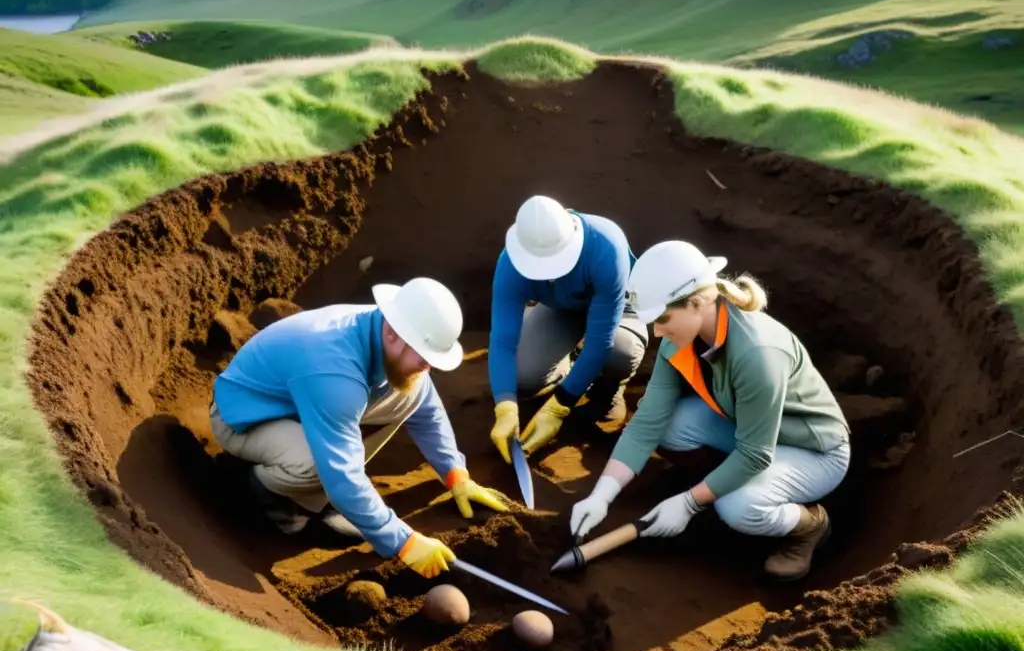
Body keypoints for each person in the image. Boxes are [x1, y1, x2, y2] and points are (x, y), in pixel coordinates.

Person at [568, 240, 851, 580]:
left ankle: (809, 526)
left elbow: (755, 455)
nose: (657, 332)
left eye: (663, 319)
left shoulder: (757, 354)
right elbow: (647, 423)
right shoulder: (681, 337)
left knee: (739, 506)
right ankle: (716, 488)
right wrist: (602, 495)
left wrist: (688, 503)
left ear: (697, 303)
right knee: (669, 426)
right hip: (749, 430)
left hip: (813, 452)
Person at [208, 277, 509, 579]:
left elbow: (426, 407)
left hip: (303, 404)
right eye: (425, 355)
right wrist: (402, 542)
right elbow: (342, 472)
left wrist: (456, 474)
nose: (429, 366)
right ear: (393, 334)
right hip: (244, 418)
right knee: (317, 465)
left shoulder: (392, 333)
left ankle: (315, 495)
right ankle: (266, 495)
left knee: (408, 394)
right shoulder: (334, 369)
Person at [488, 194, 649, 463]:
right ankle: (570, 371)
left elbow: (601, 341)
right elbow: (503, 340)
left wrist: (559, 407)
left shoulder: (606, 245)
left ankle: (607, 391)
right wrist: (504, 405)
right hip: (562, 307)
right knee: (523, 378)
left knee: (621, 351)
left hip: (619, 308)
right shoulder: (510, 261)